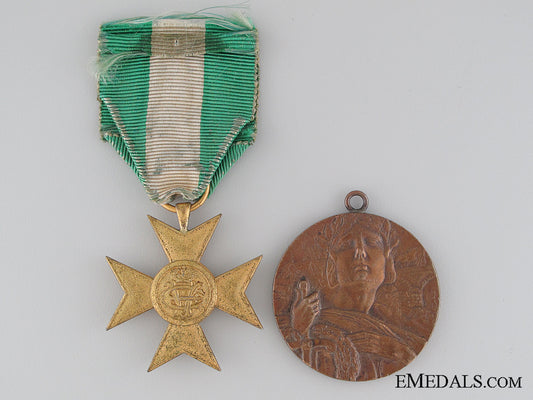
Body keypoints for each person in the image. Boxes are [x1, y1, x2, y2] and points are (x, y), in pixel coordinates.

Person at [288, 214, 426, 381]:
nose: (360, 252)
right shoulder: (308, 321)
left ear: (388, 260)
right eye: (347, 245)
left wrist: (397, 350)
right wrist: (299, 331)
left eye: (372, 243)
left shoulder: (403, 337)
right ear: (333, 263)